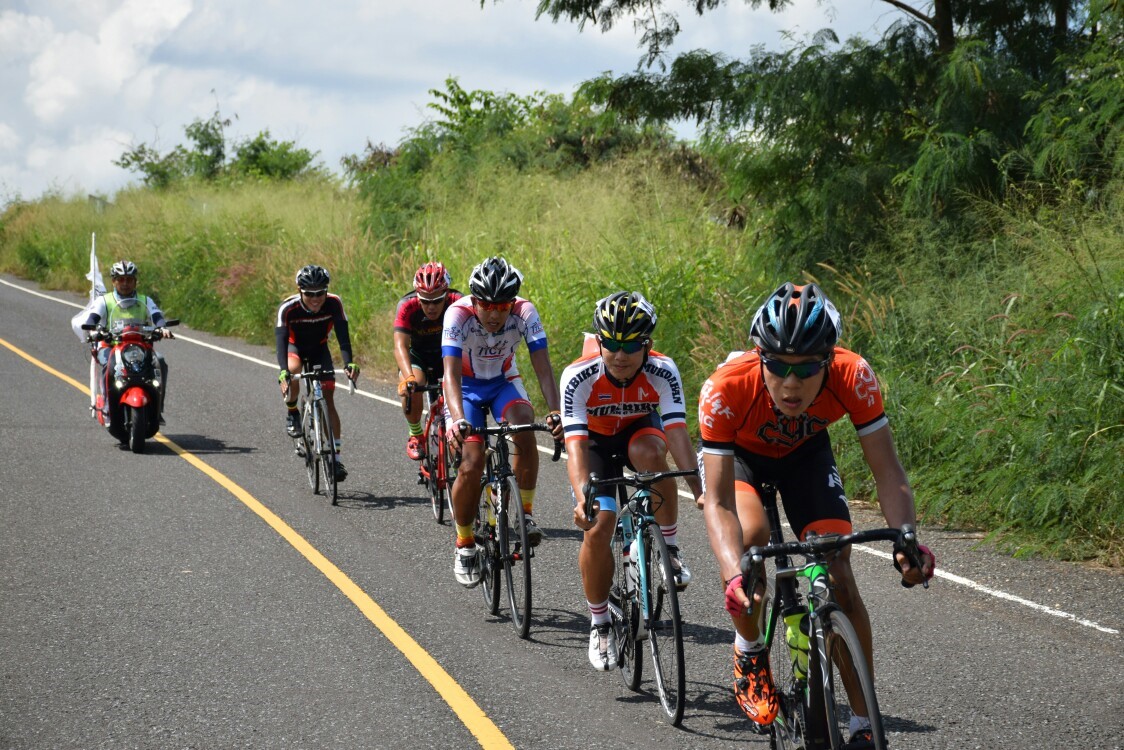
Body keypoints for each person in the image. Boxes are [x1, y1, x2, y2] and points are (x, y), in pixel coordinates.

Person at [698, 282, 935, 742]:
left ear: (828, 360)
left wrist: (906, 538)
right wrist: (731, 574)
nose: (792, 383)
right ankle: (749, 650)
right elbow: (720, 501)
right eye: (778, 366)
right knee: (752, 541)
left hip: (805, 456)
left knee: (838, 567)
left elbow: (888, 471)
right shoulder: (724, 389)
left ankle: (865, 723)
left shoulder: (854, 375)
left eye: (807, 368)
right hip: (743, 461)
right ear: (759, 357)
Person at [562, 291, 703, 671]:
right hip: (594, 442)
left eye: (630, 346)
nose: (620, 355)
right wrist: (583, 499)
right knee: (600, 524)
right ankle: (600, 623)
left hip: (639, 431)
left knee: (654, 457)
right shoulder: (579, 375)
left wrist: (699, 490)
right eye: (611, 344)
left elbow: (677, 434)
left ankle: (669, 548)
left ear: (647, 345)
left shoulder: (663, 370)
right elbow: (575, 447)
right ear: (600, 342)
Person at [442, 256, 564, 587]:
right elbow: (450, 374)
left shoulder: (525, 312)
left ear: (512, 302)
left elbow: (543, 367)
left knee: (524, 426)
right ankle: (464, 543)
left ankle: (525, 514)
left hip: (502, 382)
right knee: (472, 460)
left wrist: (555, 411)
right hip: (465, 388)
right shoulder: (457, 315)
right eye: (486, 305)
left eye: (502, 306)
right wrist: (456, 420)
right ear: (474, 301)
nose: (494, 314)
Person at [275, 264, 360, 482]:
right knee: (294, 371)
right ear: (299, 291)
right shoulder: (288, 308)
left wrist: (349, 363)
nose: (315, 299)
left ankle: (335, 460)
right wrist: (284, 371)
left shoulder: (334, 303)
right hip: (294, 348)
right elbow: (281, 342)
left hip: (319, 349)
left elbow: (343, 337)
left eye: (320, 293)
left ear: (326, 291)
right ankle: (293, 412)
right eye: (309, 294)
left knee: (328, 400)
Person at [81, 260, 174, 416]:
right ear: (113, 281)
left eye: (129, 279)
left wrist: (162, 328)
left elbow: (157, 316)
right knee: (109, 365)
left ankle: (158, 407)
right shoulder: (104, 301)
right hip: (110, 347)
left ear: (135, 282)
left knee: (160, 361)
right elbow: (93, 318)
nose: (125, 284)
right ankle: (107, 406)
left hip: (139, 347)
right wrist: (93, 330)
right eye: (121, 279)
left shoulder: (145, 300)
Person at [393, 261, 463, 460]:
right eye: (425, 301)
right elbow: (400, 345)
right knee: (413, 385)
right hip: (419, 356)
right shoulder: (407, 305)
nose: (431, 307)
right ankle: (416, 434)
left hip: (448, 355)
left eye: (437, 300)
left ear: (446, 294)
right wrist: (408, 377)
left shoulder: (458, 301)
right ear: (417, 296)